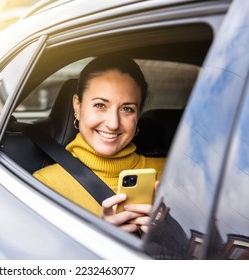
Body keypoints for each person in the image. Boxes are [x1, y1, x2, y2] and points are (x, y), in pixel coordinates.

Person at [33, 54, 166, 234]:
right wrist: (101, 235)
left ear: (139, 114)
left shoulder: (170, 174)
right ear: (77, 107)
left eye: (127, 109)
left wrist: (167, 233)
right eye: (100, 105)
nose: (113, 123)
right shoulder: (45, 184)